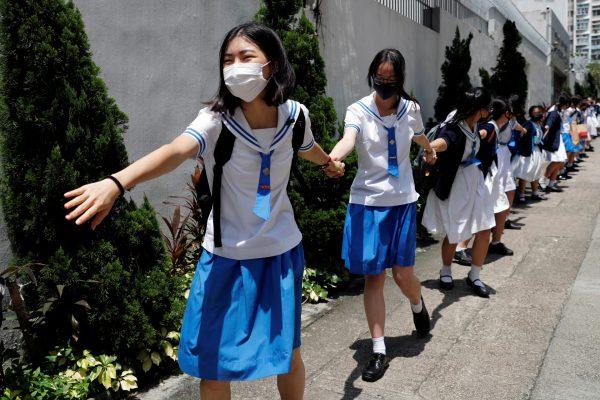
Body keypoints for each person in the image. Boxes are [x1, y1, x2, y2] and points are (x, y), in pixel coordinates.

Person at [64, 22, 344, 400]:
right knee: (212, 367)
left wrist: (329, 163)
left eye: (246, 57)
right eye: (228, 60)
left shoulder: (296, 117)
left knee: (288, 356)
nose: (235, 67)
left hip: (281, 255)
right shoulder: (216, 120)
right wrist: (117, 183)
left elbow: (308, 148)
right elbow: (175, 150)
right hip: (226, 259)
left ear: (272, 65)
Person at [328, 48, 435, 383]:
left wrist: (429, 149)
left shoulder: (411, 108)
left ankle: (417, 304)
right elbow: (348, 139)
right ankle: (378, 349)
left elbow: (418, 135)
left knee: (403, 276)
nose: (384, 85)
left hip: (402, 201)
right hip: (368, 203)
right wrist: (333, 158)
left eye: (390, 80)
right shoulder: (357, 110)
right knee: (374, 278)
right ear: (372, 75)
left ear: (400, 80)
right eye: (379, 78)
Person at [422, 87, 494, 298]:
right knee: (456, 230)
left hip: (475, 180)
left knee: (484, 228)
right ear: (478, 109)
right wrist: (430, 148)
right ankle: (445, 269)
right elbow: (444, 142)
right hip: (457, 182)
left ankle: (475, 274)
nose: (489, 111)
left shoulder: (475, 124)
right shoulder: (455, 127)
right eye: (487, 107)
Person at [514, 105, 548, 202]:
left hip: (537, 151)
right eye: (536, 112)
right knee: (524, 172)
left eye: (539, 112)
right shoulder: (529, 124)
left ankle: (535, 193)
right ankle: (521, 195)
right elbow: (522, 135)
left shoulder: (539, 125)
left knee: (537, 172)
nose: (538, 114)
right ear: (531, 114)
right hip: (529, 151)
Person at [542, 95, 569, 193]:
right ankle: (543, 179)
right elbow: (550, 121)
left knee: (560, 161)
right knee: (557, 161)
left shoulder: (558, 110)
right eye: (567, 105)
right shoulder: (554, 112)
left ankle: (551, 184)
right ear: (564, 104)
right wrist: (547, 126)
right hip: (554, 139)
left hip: (558, 138)